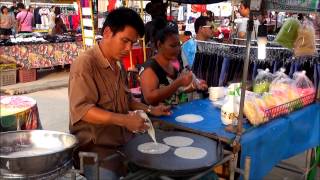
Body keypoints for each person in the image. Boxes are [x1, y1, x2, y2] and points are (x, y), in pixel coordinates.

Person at [68, 8, 170, 180]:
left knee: (159, 167)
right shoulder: (85, 64)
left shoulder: (118, 65)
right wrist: (125, 120)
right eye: (125, 41)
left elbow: (127, 100)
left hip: (123, 142)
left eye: (133, 43)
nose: (129, 48)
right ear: (107, 32)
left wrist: (151, 109)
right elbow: (83, 110)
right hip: (95, 150)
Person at [139, 25, 207, 106]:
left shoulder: (172, 65)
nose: (177, 49)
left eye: (179, 45)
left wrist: (194, 86)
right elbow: (150, 98)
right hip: (157, 118)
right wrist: (178, 83)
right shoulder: (150, 69)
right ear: (159, 44)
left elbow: (175, 91)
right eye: (173, 46)